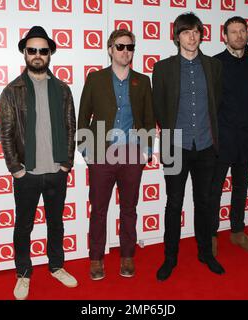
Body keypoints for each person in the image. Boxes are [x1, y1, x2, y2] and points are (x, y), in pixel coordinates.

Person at [0, 26, 77, 300]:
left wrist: (66, 163)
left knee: (56, 223)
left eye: (43, 50)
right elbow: (5, 132)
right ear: (24, 52)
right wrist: (16, 169)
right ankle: (23, 272)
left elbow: (70, 127)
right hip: (27, 173)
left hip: (56, 171)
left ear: (50, 54)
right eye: (32, 50)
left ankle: (56, 266)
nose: (37, 55)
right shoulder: (12, 91)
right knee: (24, 225)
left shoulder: (62, 89)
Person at [152, 12, 225, 281]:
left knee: (204, 203)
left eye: (195, 31)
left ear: (201, 35)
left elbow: (216, 103)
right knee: (173, 204)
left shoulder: (214, 67)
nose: (191, 36)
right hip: (175, 146)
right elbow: (159, 107)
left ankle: (205, 253)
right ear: (177, 36)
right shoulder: (162, 69)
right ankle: (170, 257)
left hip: (206, 145)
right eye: (185, 32)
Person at [77, 29, 155, 280]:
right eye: (120, 46)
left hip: (132, 154)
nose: (125, 52)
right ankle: (96, 259)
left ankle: (127, 256)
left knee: (129, 209)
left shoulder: (142, 81)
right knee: (99, 209)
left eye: (129, 47)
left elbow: (148, 119)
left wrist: (146, 150)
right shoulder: (95, 79)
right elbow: (83, 117)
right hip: (102, 154)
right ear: (110, 49)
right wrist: (86, 150)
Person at [210, 16, 248, 256]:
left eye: (243, 31)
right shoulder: (215, 64)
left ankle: (237, 232)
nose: (239, 35)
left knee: (241, 188)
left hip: (246, 136)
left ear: (247, 34)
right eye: (233, 31)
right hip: (222, 138)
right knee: (214, 190)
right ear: (224, 36)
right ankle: (210, 236)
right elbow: (212, 104)